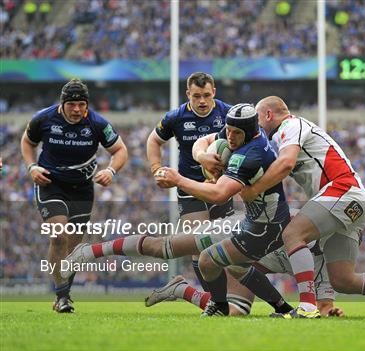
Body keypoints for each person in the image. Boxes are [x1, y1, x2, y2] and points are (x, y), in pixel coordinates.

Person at [62, 104, 293, 317]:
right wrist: (203, 157)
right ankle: (89, 251)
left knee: (237, 307)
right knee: (167, 247)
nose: (229, 137)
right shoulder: (239, 134)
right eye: (228, 131)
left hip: (255, 228)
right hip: (247, 226)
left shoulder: (249, 155)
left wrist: (178, 179)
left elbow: (220, 194)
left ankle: (183, 290)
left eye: (235, 133)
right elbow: (200, 143)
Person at [240, 96, 365, 319]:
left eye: (258, 120)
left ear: (268, 115)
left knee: (293, 233)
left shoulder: (290, 125)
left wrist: (253, 190)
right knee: (343, 279)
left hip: (342, 191)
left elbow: (286, 164)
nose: (257, 127)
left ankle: (307, 308)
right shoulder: (285, 135)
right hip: (351, 200)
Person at [146, 71, 253, 312]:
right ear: (188, 95)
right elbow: (153, 141)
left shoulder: (228, 113)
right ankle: (215, 302)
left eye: (206, 95)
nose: (202, 101)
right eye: (196, 96)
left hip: (220, 187)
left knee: (222, 245)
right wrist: (156, 168)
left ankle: (209, 298)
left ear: (214, 92)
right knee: (198, 243)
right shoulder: (176, 117)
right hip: (189, 187)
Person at [20, 78, 128, 313]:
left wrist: (111, 170)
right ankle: (62, 297)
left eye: (82, 104)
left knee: (73, 247)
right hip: (50, 184)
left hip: (82, 189)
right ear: (62, 104)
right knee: (58, 235)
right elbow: (27, 142)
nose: (77, 109)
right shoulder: (44, 118)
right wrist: (31, 167)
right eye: (72, 105)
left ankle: (63, 294)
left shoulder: (98, 123)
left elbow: (120, 150)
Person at [145, 241, 345, 317]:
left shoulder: (331, 265)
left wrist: (331, 311)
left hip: (253, 265)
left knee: (234, 312)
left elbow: (325, 306)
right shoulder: (300, 226)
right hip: (247, 257)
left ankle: (181, 289)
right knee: (230, 308)